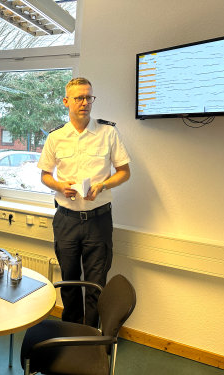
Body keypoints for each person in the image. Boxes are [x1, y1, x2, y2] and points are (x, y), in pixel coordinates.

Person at [37, 77, 131, 327]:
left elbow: (124, 171)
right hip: (66, 219)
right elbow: (45, 175)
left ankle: (90, 335)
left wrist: (103, 185)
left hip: (98, 220)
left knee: (96, 283)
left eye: (89, 97)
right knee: (69, 280)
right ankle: (70, 329)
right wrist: (59, 186)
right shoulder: (56, 137)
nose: (85, 102)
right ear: (66, 101)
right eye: (79, 98)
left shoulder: (108, 132)